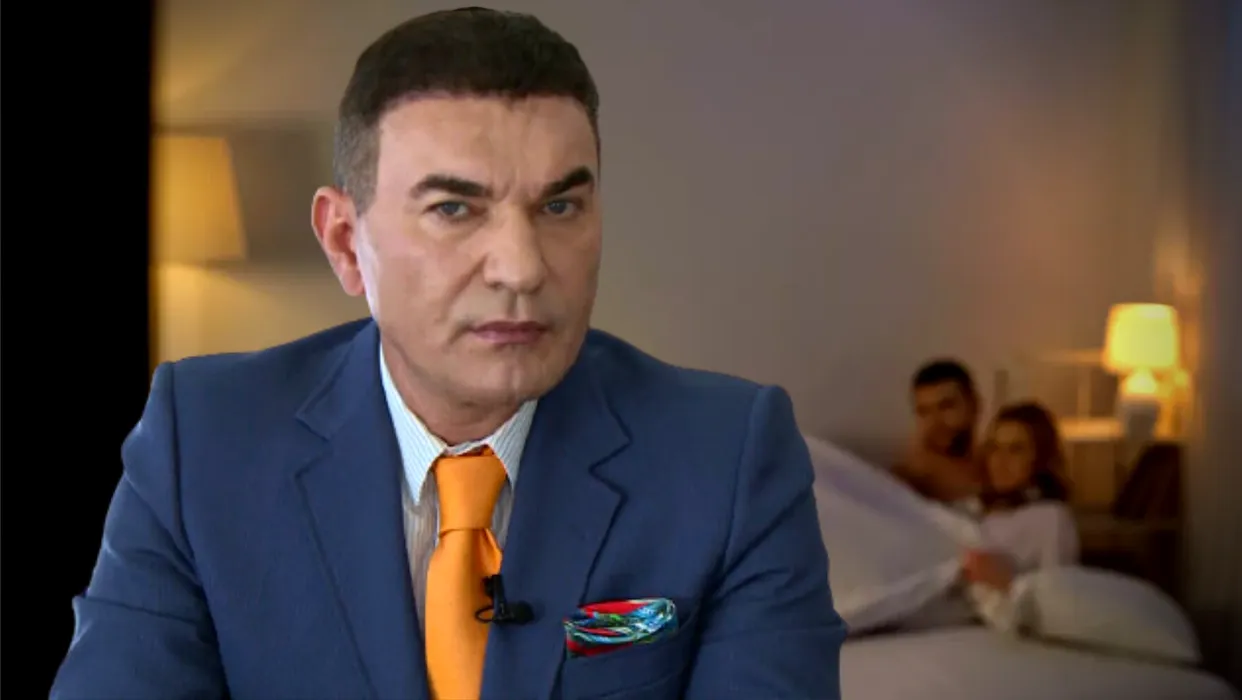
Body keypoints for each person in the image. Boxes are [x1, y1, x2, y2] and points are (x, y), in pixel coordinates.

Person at [51, 8, 845, 700]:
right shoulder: (203, 440)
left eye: (559, 205)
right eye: (454, 209)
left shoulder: (731, 456)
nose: (522, 269)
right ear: (345, 243)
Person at [960, 401, 1079, 595]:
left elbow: (1057, 596)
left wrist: (1008, 582)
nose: (1000, 461)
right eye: (994, 448)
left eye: (1015, 450)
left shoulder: (1051, 518)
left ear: (1039, 457)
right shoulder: (971, 507)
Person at [893, 359, 987, 510]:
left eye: (946, 406)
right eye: (924, 412)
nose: (935, 422)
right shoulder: (907, 481)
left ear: (974, 405)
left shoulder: (997, 469)